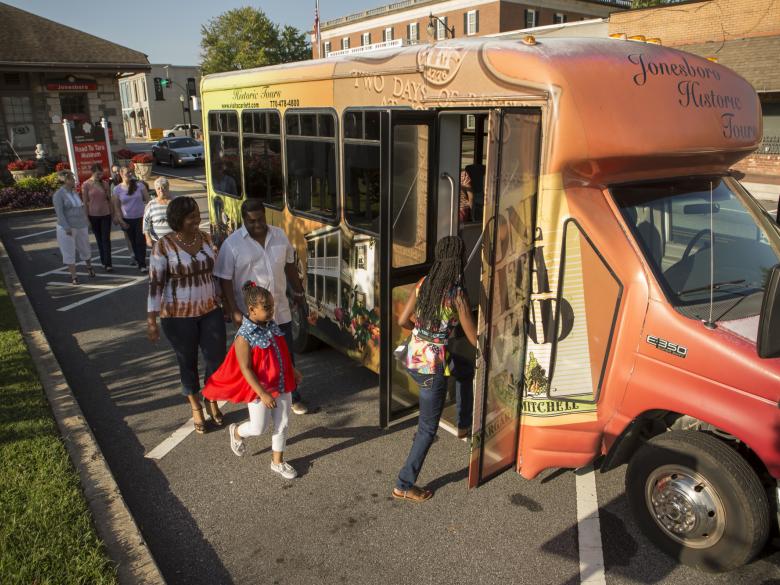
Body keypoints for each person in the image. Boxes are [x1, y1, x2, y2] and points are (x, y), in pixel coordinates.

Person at [392, 236, 477, 502]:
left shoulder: (424, 283)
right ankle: (404, 484)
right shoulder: (456, 294)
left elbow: (404, 320)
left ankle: (463, 425)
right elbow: (474, 337)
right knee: (427, 429)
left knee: (463, 370)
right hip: (431, 368)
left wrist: (426, 331)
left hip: (413, 356)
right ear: (459, 261)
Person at [214, 199, 310, 414]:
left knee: (285, 354)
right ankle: (260, 397)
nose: (257, 224)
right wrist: (233, 310)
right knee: (256, 360)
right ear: (243, 219)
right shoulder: (232, 244)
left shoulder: (279, 235)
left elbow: (289, 264)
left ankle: (292, 396)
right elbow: (225, 278)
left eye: (261, 219)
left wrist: (298, 291)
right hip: (251, 317)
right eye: (252, 220)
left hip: (280, 309)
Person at [202, 283, 302, 479]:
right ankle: (237, 432)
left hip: (281, 383)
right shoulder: (244, 336)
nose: (271, 311)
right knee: (259, 428)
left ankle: (278, 462)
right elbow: (246, 369)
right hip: (260, 390)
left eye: (272, 307)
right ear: (251, 310)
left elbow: (281, 351)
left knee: (282, 423)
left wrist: (292, 369)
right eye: (266, 308)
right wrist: (262, 393)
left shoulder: (272, 325)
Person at [147, 196, 226, 434]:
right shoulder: (164, 246)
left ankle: (210, 396)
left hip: (210, 309)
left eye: (197, 215)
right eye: (191, 217)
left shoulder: (205, 238)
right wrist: (151, 320)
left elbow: (217, 273)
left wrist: (227, 302)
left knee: (216, 357)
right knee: (187, 361)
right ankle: (195, 407)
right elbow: (155, 284)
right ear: (178, 219)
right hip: (177, 315)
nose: (196, 220)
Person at [53, 170, 95, 285]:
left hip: (80, 225)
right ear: (65, 180)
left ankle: (89, 267)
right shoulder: (58, 195)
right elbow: (59, 213)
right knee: (69, 251)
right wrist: (66, 227)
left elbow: (81, 208)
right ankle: (74, 276)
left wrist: (86, 221)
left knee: (85, 247)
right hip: (67, 228)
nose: (74, 181)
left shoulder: (74, 193)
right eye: (72, 178)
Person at [112, 166, 149, 271]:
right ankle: (139, 260)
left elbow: (148, 200)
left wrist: (148, 214)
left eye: (130, 172)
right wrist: (121, 220)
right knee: (133, 242)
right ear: (121, 174)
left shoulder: (139, 185)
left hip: (140, 217)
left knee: (140, 241)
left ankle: (142, 264)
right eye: (127, 172)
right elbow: (117, 207)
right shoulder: (117, 189)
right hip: (127, 219)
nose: (129, 174)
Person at [81, 163, 113, 272]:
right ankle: (104, 261)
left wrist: (113, 214)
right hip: (93, 215)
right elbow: (85, 203)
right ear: (93, 172)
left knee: (106, 239)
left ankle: (108, 263)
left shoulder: (105, 183)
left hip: (105, 214)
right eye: (98, 174)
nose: (100, 176)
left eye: (101, 174)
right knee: (99, 240)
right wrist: (86, 218)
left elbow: (110, 200)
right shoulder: (86, 185)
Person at [143, 176, 175, 247]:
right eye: (158, 188)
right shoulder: (151, 204)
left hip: (174, 241)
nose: (161, 190)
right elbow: (146, 223)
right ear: (155, 190)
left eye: (163, 187)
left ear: (168, 188)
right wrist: (148, 238)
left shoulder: (176, 202)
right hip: (157, 242)